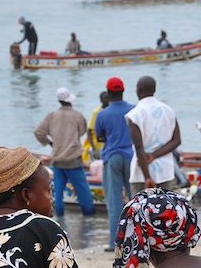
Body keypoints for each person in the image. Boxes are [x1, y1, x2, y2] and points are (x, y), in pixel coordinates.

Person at [34, 88, 95, 216]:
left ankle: (59, 221)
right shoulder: (77, 115)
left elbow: (38, 132)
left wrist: (50, 143)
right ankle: (89, 220)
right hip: (74, 160)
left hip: (57, 161)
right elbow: (83, 130)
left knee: (57, 194)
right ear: (70, 101)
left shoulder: (52, 116)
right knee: (83, 192)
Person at [95, 77, 135, 252]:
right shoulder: (134, 110)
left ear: (109, 93)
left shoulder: (103, 114)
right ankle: (136, 240)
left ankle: (114, 242)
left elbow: (99, 136)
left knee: (114, 202)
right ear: (123, 91)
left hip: (112, 157)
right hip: (132, 157)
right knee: (135, 201)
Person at [126, 76, 181, 193]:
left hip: (141, 174)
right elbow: (177, 140)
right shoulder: (169, 110)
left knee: (141, 210)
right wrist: (154, 155)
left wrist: (147, 177)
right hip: (165, 171)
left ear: (139, 90)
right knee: (165, 209)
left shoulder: (134, 115)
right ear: (154, 90)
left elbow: (139, 147)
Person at [83, 91, 109, 164]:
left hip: (108, 145)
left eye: (108, 98)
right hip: (98, 145)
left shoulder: (111, 111)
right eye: (105, 98)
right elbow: (89, 131)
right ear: (101, 100)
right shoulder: (97, 112)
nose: (107, 100)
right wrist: (94, 148)